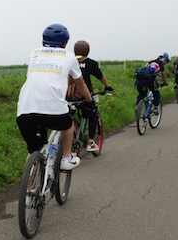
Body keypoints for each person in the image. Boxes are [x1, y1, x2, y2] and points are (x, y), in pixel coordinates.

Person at [16, 23, 93, 171]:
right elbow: (81, 84)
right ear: (65, 43)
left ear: (44, 41)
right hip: (54, 111)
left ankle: (29, 189)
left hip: (25, 111)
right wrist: (89, 100)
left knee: (34, 150)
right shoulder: (69, 57)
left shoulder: (34, 53)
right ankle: (66, 158)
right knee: (68, 123)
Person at [72, 40, 113, 152]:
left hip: (68, 97)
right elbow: (101, 77)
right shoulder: (91, 63)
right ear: (87, 51)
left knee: (69, 117)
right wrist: (108, 87)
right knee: (93, 114)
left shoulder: (69, 61)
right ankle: (90, 141)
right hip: (84, 96)